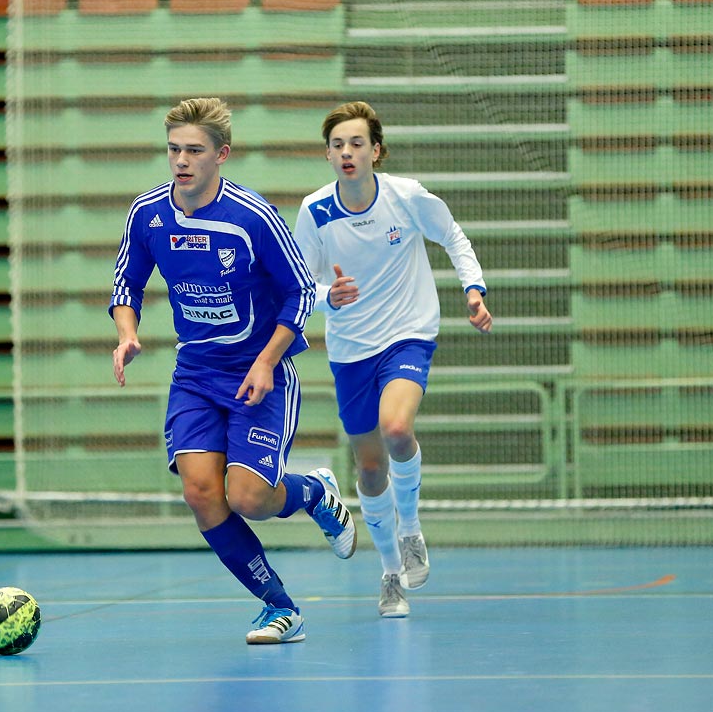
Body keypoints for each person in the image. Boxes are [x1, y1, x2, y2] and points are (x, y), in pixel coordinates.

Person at [110, 97, 355, 645]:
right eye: (173, 149)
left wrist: (268, 361)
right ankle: (280, 607)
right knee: (201, 493)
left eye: (194, 150)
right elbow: (126, 282)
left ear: (222, 154)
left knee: (248, 498)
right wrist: (128, 334)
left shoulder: (253, 216)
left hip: (258, 373)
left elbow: (297, 294)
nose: (181, 161)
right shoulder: (148, 214)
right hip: (195, 374)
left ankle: (312, 493)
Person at [293, 101, 492, 619]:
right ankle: (389, 573)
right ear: (329, 156)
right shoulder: (315, 212)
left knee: (397, 427)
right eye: (337, 145)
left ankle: (410, 531)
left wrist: (473, 290)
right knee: (370, 466)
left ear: (376, 151)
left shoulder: (407, 197)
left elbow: (452, 236)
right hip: (352, 349)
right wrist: (325, 297)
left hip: (408, 333)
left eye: (357, 143)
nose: (347, 153)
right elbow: (298, 285)